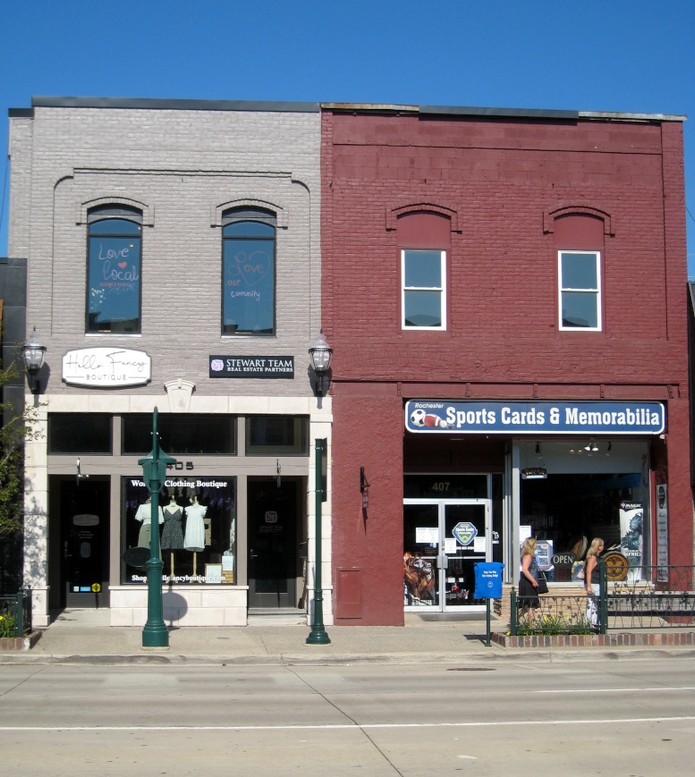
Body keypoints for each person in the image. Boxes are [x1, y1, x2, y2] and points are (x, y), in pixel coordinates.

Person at [584, 537, 605, 631]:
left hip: (596, 582)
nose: (602, 547)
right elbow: (589, 571)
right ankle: (592, 622)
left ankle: (593, 622)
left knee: (593, 603)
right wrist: (589, 586)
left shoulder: (597, 557)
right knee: (595, 603)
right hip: (594, 583)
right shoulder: (593, 558)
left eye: (602, 545)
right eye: (600, 545)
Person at [518, 537, 540, 618]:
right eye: (535, 543)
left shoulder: (530, 555)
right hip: (528, 583)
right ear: (532, 544)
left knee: (525, 607)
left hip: (528, 582)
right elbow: (525, 569)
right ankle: (531, 628)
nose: (536, 545)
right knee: (530, 606)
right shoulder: (528, 555)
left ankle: (514, 621)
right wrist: (533, 581)